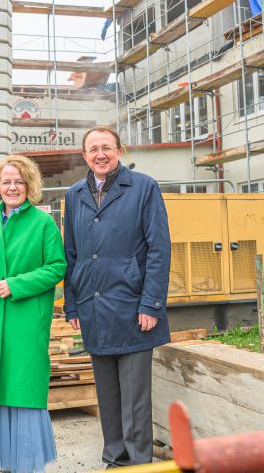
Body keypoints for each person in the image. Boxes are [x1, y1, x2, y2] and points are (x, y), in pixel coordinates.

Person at [63, 126, 171, 467]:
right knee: (107, 396)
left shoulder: (143, 188)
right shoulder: (74, 193)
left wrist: (151, 303)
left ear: (119, 151)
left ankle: (139, 462)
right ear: (84, 156)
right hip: (93, 306)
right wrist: (72, 303)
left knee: (135, 399)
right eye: (93, 149)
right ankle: (115, 458)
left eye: (106, 147)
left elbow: (158, 248)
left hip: (133, 306)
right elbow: (72, 254)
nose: (100, 154)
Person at [0, 154, 67, 473]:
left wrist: (15, 284)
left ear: (29, 185)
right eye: (6, 181)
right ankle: (4, 463)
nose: (12, 187)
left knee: (23, 388)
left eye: (18, 181)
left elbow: (57, 267)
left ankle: (25, 462)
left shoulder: (43, 223)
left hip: (25, 320)